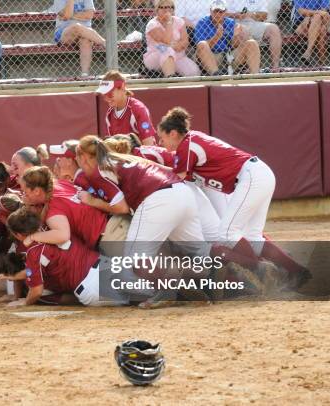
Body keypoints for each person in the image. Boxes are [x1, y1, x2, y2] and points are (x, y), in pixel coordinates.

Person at [157, 106, 312, 288]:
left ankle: (263, 272)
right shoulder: (192, 141)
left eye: (163, 137)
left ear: (173, 133)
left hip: (251, 176)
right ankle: (297, 271)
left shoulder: (187, 145)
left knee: (227, 233)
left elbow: (178, 177)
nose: (161, 142)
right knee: (251, 236)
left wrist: (149, 166)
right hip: (257, 174)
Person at [75, 135, 207, 260]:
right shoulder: (126, 157)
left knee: (134, 263)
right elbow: (170, 170)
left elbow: (122, 208)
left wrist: (91, 201)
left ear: (84, 157)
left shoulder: (100, 169)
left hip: (158, 199)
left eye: (77, 156)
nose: (76, 160)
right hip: (182, 191)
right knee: (198, 256)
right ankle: (217, 279)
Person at [0, 208, 131, 307]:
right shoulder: (55, 228)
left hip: (91, 287)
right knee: (144, 291)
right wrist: (15, 276)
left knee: (132, 299)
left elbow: (37, 291)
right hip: (106, 266)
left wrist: (26, 302)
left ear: (19, 234)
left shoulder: (34, 252)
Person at [194, 0, 261, 74]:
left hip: (229, 55)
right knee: (202, 44)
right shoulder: (202, 23)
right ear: (210, 11)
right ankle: (216, 75)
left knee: (252, 43)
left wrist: (236, 37)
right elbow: (201, 48)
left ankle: (255, 75)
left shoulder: (230, 22)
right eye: (215, 11)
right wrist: (217, 36)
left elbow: (233, 45)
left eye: (221, 11)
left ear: (225, 12)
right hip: (212, 56)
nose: (218, 14)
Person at [95, 70, 157, 145]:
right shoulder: (109, 114)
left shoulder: (137, 109)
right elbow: (113, 146)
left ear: (122, 87)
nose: (107, 99)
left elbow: (149, 145)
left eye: (109, 94)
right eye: (104, 95)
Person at [143, 0, 200, 77]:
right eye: (164, 7)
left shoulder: (179, 21)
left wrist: (172, 45)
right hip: (156, 56)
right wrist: (169, 22)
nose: (167, 10)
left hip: (178, 56)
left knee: (194, 72)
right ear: (157, 10)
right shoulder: (152, 24)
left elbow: (185, 42)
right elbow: (166, 40)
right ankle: (171, 78)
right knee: (167, 50)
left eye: (171, 7)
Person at [49, 0, 105, 77]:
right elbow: (67, 15)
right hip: (64, 32)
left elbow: (89, 15)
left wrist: (71, 16)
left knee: (85, 40)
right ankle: (105, 43)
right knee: (76, 27)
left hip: (85, 32)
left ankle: (84, 74)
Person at [227, 0, 282, 72]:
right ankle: (247, 67)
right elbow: (222, 13)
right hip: (234, 23)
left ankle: (275, 67)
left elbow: (264, 15)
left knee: (274, 29)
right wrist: (235, 15)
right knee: (243, 31)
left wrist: (252, 14)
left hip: (254, 22)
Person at [293, 0, 330, 66]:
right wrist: (315, 13)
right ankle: (322, 64)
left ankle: (308, 51)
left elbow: (324, 13)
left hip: (320, 21)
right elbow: (301, 11)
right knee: (321, 29)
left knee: (320, 23)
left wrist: (310, 16)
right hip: (301, 22)